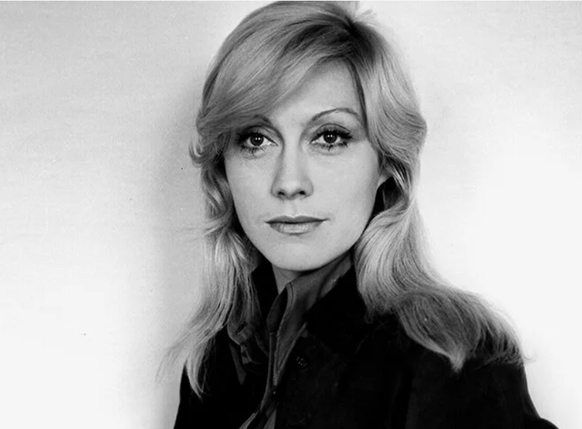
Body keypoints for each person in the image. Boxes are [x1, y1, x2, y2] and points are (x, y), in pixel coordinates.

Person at [172, 2, 556, 428]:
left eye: (329, 137)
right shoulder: (214, 362)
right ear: (222, 167)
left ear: (386, 162)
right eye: (256, 139)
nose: (289, 182)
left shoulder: (454, 354)